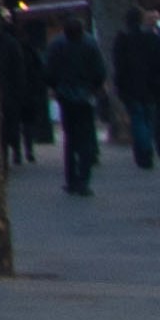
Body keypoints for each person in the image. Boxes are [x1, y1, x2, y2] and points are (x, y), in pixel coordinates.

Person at [41, 19, 110, 197]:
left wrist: (56, 87)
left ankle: (72, 179)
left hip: (65, 95)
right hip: (85, 95)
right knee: (86, 137)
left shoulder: (57, 45)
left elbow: (48, 71)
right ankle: (83, 180)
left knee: (71, 139)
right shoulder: (89, 45)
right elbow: (100, 71)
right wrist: (94, 88)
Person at [112, 10, 160, 169]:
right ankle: (147, 150)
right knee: (146, 118)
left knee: (138, 120)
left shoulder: (122, 40)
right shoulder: (151, 38)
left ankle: (144, 151)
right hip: (150, 87)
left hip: (131, 88)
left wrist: (119, 87)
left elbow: (119, 66)